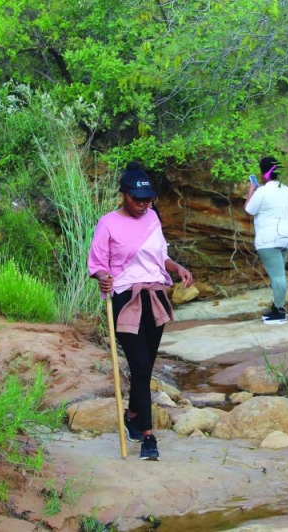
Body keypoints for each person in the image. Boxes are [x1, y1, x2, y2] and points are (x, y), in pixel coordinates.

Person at [88, 162, 194, 461]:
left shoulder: (153, 218)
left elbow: (160, 256)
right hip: (125, 298)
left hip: (155, 294)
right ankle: (148, 437)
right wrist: (102, 277)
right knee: (141, 364)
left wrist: (177, 268)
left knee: (144, 366)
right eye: (138, 199)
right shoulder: (107, 223)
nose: (144, 204)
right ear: (124, 195)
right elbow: (96, 263)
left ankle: (133, 413)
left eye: (148, 199)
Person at [245, 156, 288, 325]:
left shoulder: (262, 191)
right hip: (287, 235)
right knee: (279, 274)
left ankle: (280, 313)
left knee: (277, 276)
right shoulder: (286, 189)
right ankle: (277, 308)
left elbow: (249, 210)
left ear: (263, 173)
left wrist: (251, 189)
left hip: (269, 237)